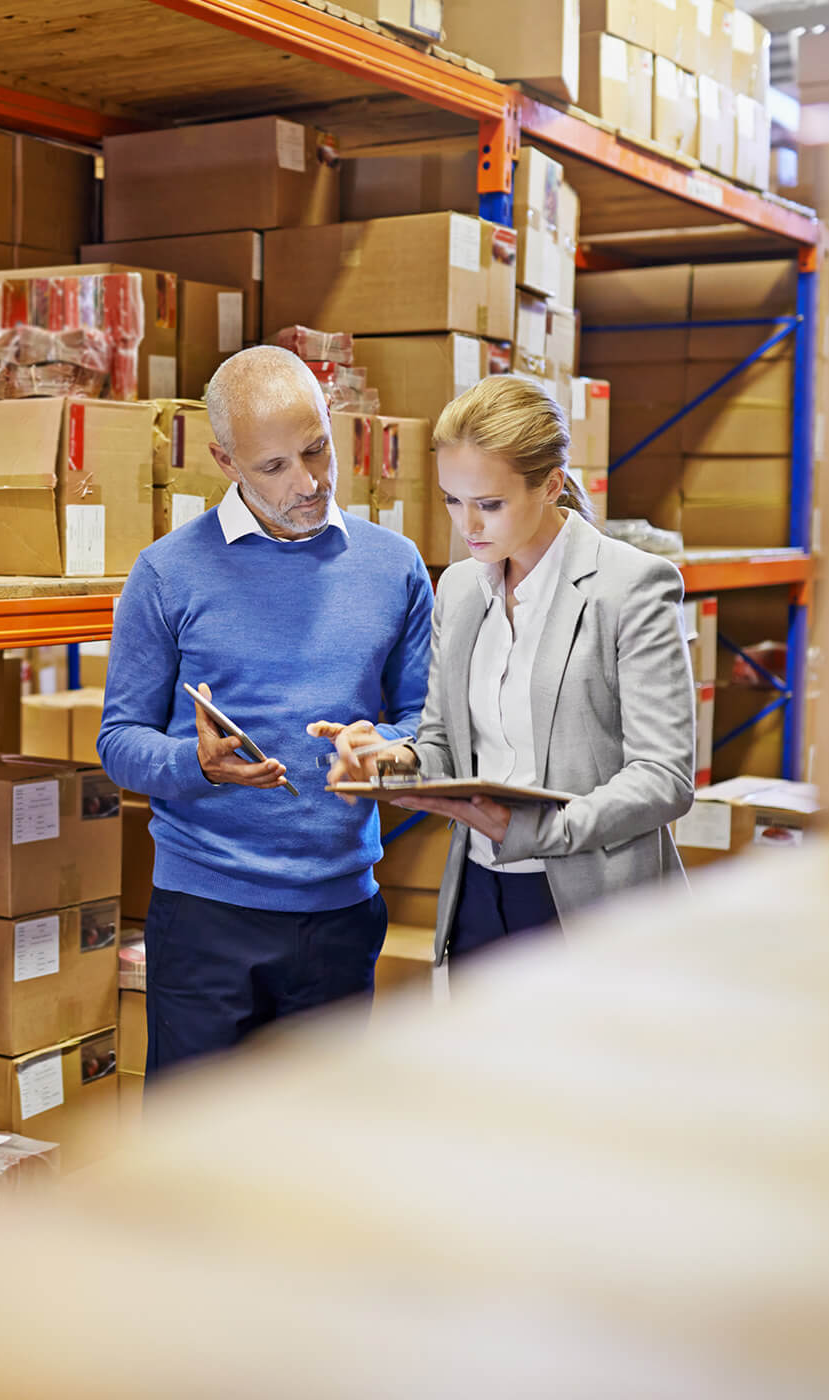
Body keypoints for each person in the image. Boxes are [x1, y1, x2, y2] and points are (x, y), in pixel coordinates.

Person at [97, 346, 433, 1076]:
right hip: (205, 917)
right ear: (225, 461)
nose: (307, 483)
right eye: (274, 466)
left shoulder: (396, 566)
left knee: (319, 1138)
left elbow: (425, 727)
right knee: (194, 1139)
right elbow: (119, 741)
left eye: (316, 450)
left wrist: (385, 756)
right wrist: (196, 764)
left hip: (342, 914)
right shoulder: (166, 573)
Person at [318, 375, 696, 965]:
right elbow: (443, 745)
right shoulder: (460, 589)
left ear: (550, 485)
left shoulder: (630, 588)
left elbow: (663, 777)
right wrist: (388, 763)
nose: (467, 525)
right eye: (452, 499)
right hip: (478, 894)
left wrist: (539, 832)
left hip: (592, 907)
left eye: (489, 505)